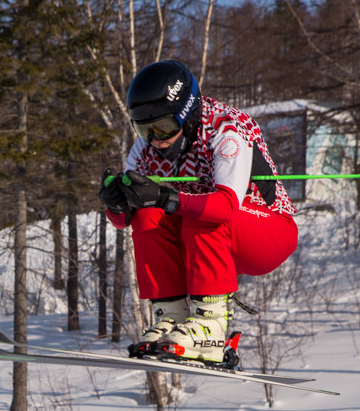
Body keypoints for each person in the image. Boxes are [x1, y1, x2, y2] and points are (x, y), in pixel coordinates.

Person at [99, 60, 298, 363]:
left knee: (200, 209)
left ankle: (211, 327)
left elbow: (226, 206)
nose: (156, 139)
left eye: (163, 127)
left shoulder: (226, 129)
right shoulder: (144, 149)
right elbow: (126, 222)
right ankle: (173, 317)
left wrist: (166, 196)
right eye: (144, 129)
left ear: (187, 113)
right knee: (146, 212)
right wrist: (116, 204)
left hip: (269, 233)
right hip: (210, 244)